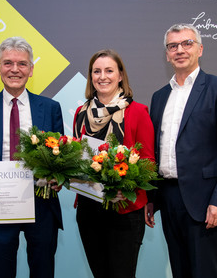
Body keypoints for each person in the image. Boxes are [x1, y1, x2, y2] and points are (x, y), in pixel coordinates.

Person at [0, 36, 64, 278]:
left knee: (43, 271)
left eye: (22, 64)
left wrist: (58, 177)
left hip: (41, 202)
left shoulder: (50, 108)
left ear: (31, 69)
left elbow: (61, 156)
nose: (15, 69)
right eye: (8, 63)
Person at [149, 23, 217, 278]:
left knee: (204, 272)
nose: (179, 50)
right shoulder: (160, 97)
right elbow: (156, 151)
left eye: (186, 43)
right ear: (167, 54)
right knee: (179, 271)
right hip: (169, 198)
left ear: (200, 49)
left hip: (205, 202)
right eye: (173, 46)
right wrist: (152, 198)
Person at [72, 49, 155, 278]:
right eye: (96, 71)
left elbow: (148, 162)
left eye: (109, 70)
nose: (102, 76)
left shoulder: (138, 112)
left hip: (124, 209)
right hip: (89, 209)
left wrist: (125, 187)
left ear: (120, 75)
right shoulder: (81, 113)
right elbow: (79, 159)